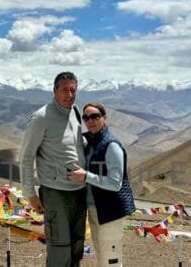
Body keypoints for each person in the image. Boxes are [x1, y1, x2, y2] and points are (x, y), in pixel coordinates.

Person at [19, 71, 87, 266]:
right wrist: (30, 194)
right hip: (56, 193)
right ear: (54, 91)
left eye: (73, 90)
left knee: (76, 247)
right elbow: (26, 157)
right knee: (59, 250)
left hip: (79, 192)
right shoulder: (41, 117)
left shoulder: (75, 112)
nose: (70, 95)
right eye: (65, 90)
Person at [67, 102, 135, 267]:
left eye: (95, 116)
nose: (90, 121)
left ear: (104, 118)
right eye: (86, 117)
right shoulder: (92, 141)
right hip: (95, 208)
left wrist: (86, 176)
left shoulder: (111, 145)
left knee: (110, 258)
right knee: (101, 254)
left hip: (110, 210)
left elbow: (115, 183)